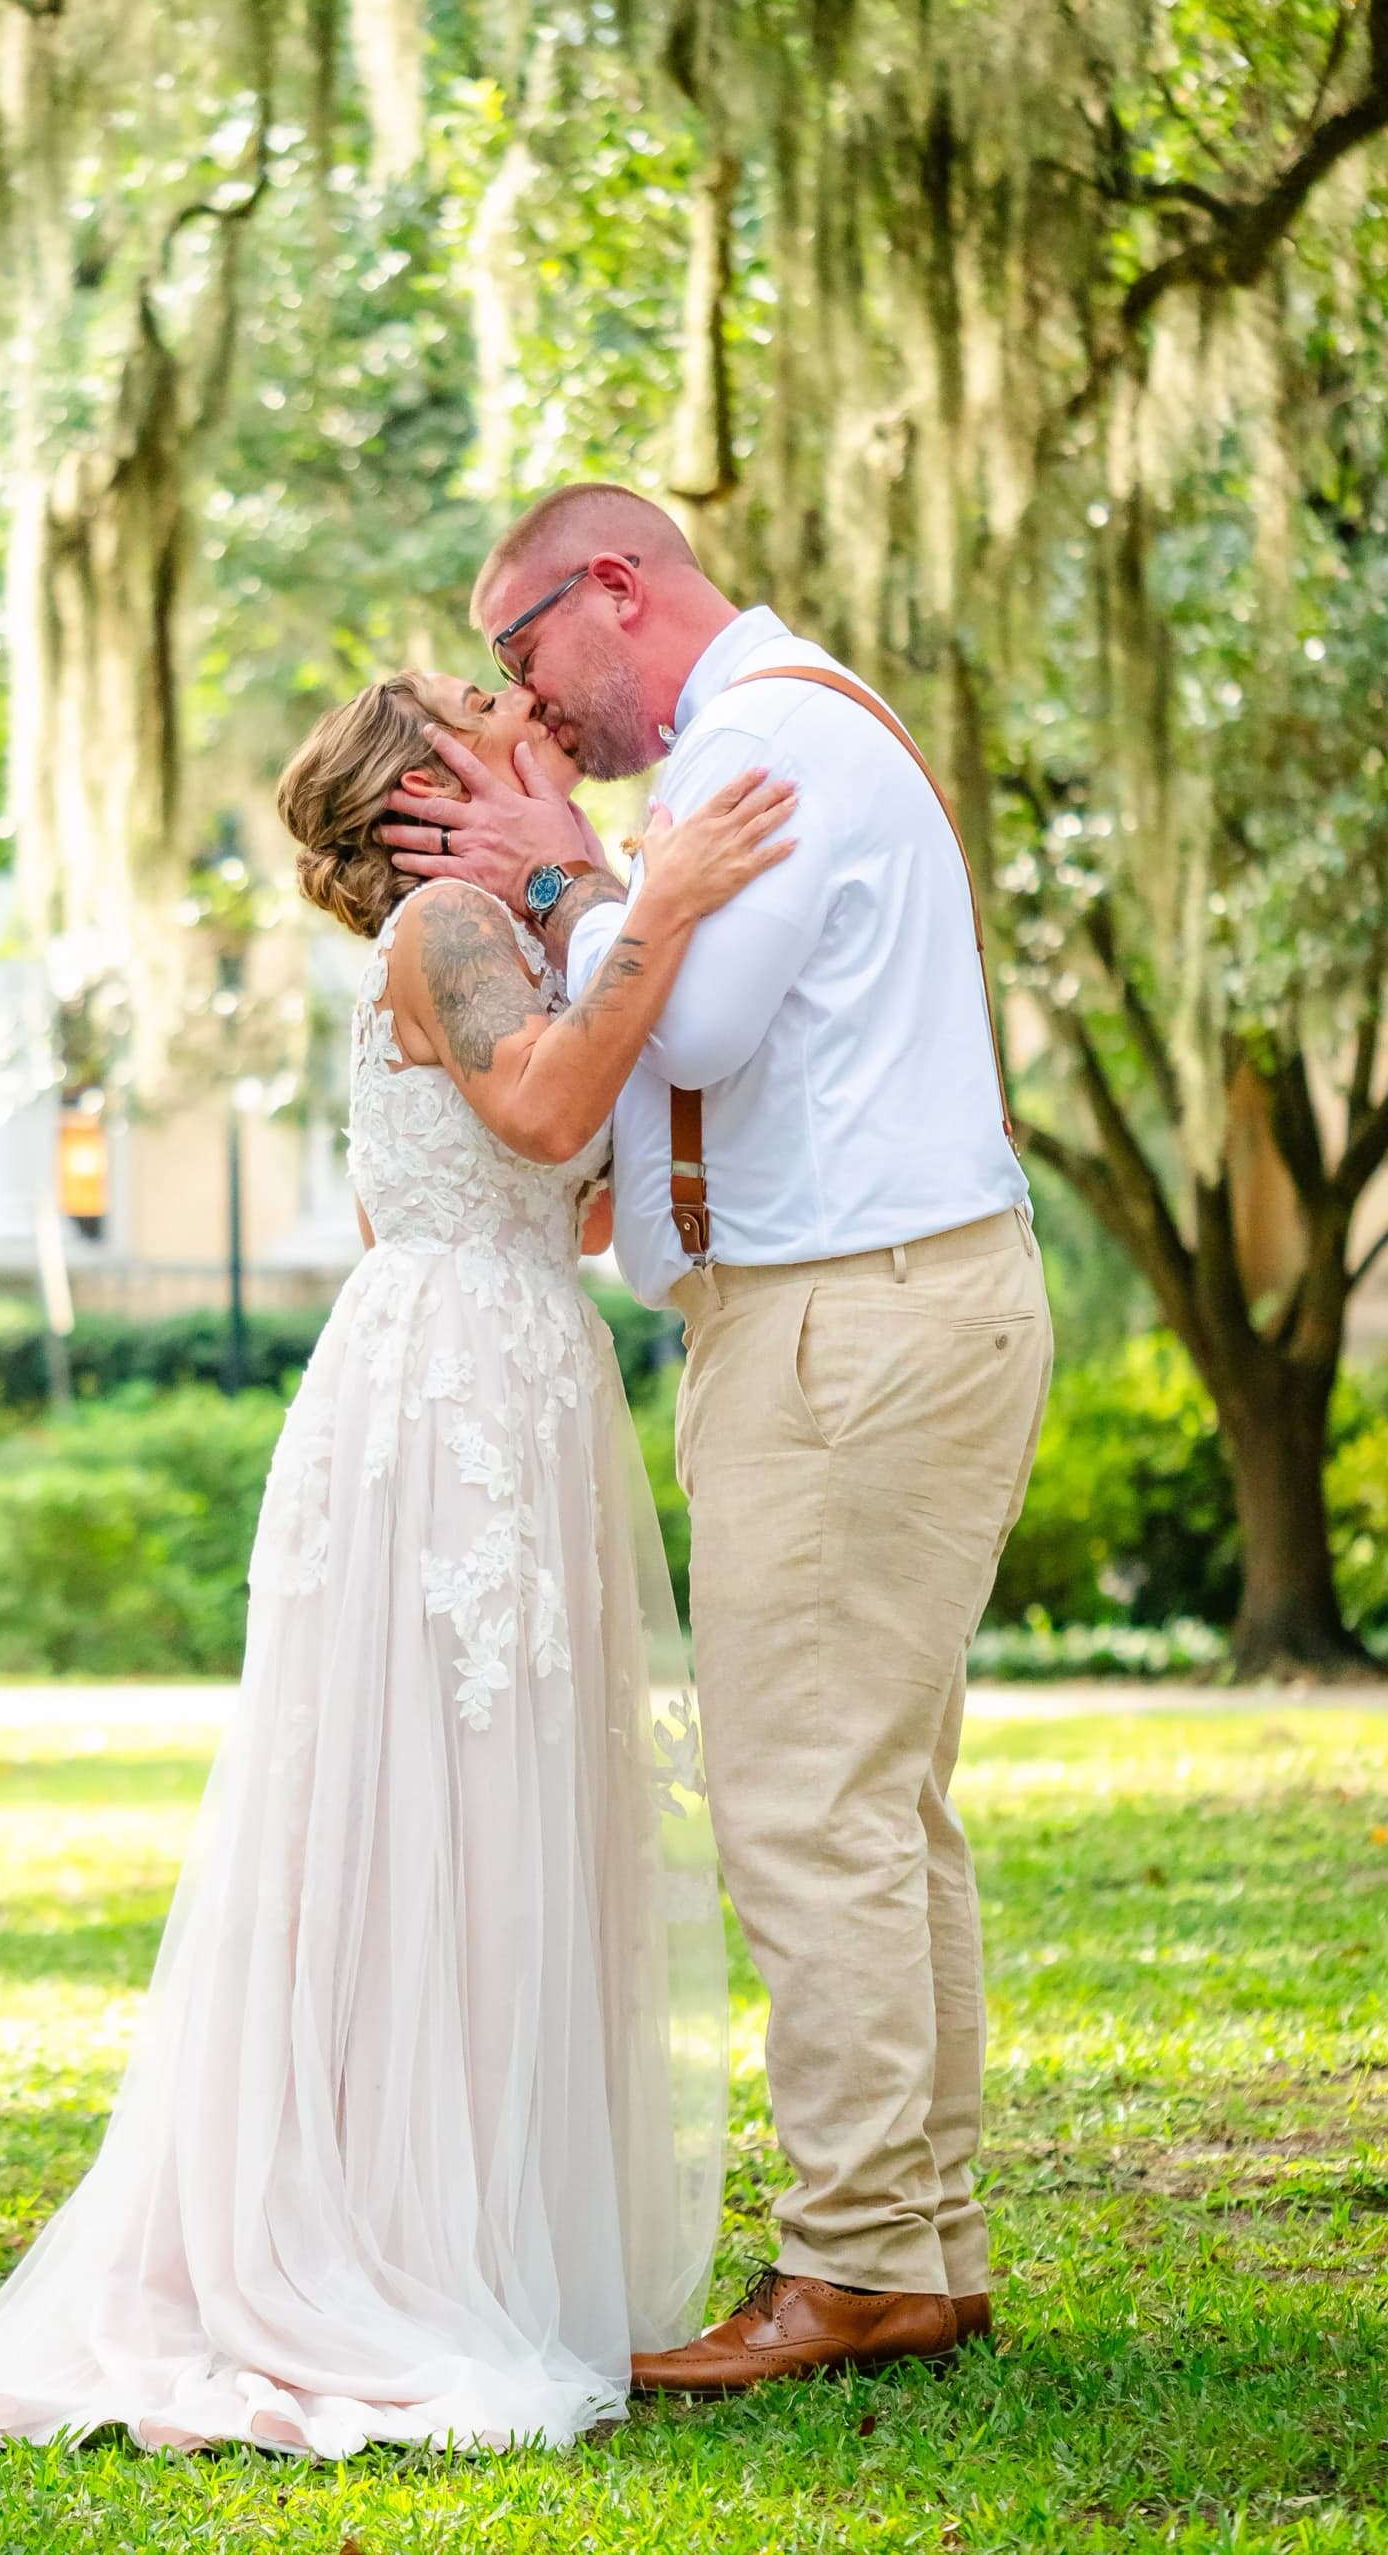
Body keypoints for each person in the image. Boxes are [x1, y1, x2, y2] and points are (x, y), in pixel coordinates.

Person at [0, 670, 799, 2460]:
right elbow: (546, 1113)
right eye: (473, 704)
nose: (524, 709)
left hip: (499, 1365)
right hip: (453, 1393)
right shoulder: (445, 922)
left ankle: (476, 2223)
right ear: (428, 792)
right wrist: (657, 902)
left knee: (505, 1799)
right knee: (447, 1795)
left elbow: (503, 1178)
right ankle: (398, 2247)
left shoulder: (479, 934)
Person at [380, 483, 1053, 2390]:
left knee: (805, 1810)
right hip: (896, 1297)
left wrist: (557, 876)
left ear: (617, 588)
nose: (537, 712)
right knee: (881, 1806)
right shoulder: (799, 717)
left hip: (850, 1315)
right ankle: (917, 2245)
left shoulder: (761, 737)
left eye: (524, 655)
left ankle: (851, 2262)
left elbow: (702, 1026)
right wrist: (603, 873)